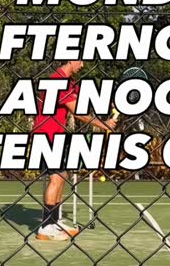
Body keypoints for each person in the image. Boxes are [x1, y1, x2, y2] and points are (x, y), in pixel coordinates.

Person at [32, 61, 116, 241]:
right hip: (48, 136)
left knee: (62, 176)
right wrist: (103, 124)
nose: (83, 64)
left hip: (56, 135)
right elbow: (78, 112)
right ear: (70, 59)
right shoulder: (58, 81)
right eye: (80, 60)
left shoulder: (69, 82)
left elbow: (82, 100)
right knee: (56, 178)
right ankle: (46, 227)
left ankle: (54, 222)